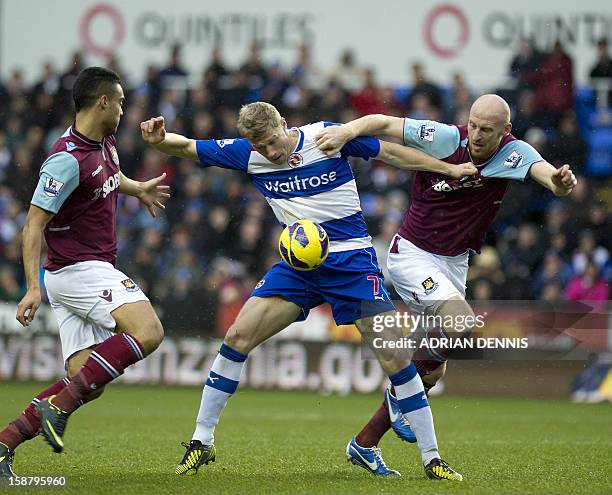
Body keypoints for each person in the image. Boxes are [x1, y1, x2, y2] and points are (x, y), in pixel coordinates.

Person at [141, 101, 476, 479]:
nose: (270, 152)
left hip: (351, 263)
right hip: (299, 268)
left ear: (284, 124)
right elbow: (187, 146)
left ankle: (432, 459)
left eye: (272, 141)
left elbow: (391, 153)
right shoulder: (247, 154)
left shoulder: (325, 137)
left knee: (396, 357)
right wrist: (159, 141)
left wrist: (449, 168)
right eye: (261, 147)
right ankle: (202, 441)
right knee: (237, 335)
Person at [315, 93, 577, 457]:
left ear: (506, 130)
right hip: (412, 253)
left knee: (432, 374)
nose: (477, 135)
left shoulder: (515, 153)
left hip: (454, 264)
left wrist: (561, 183)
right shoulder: (443, 138)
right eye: (473, 125)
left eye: (487, 129)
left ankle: (365, 442)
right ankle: (398, 398)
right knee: (460, 324)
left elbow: (547, 175)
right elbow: (384, 122)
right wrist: (346, 132)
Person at [0, 67, 169, 477]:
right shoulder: (65, 159)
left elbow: (109, 179)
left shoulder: (104, 145)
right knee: (148, 331)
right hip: (79, 269)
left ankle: (4, 443)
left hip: (79, 272)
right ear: (103, 102)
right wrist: (31, 287)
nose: (126, 109)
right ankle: (58, 406)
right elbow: (33, 223)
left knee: (86, 381)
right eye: (122, 101)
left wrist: (138, 187)